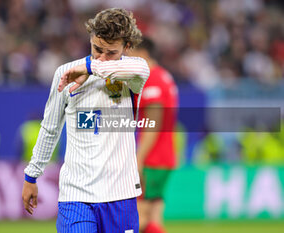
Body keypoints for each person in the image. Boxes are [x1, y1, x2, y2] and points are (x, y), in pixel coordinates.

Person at [22, 8, 150, 232]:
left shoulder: (132, 76)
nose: (102, 57)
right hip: (76, 196)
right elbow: (50, 128)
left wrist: (90, 68)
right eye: (97, 49)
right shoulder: (65, 73)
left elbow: (142, 67)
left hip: (120, 196)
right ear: (90, 39)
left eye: (111, 52)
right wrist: (32, 175)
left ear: (127, 47)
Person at [130, 37, 178, 233]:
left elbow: (153, 124)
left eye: (129, 54)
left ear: (142, 54)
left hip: (153, 159)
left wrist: (139, 159)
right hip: (164, 157)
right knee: (154, 216)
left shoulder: (151, 78)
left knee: (138, 217)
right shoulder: (164, 76)